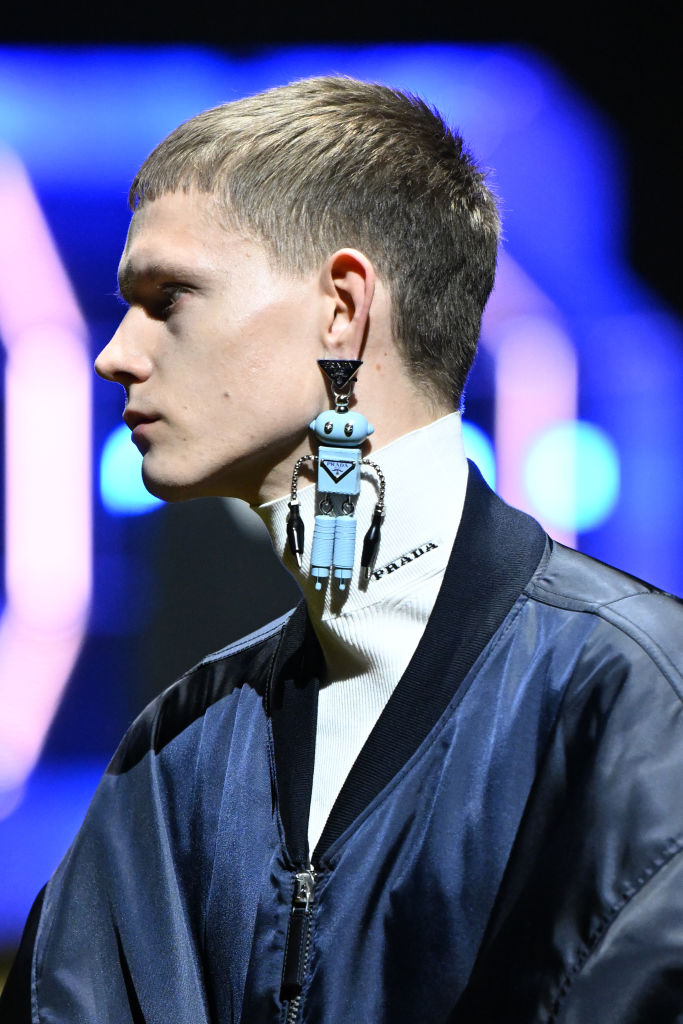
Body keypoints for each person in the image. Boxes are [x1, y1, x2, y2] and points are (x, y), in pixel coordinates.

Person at [2, 75, 683, 1023]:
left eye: (169, 297)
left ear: (340, 310)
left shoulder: (636, 701)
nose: (114, 353)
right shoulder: (173, 749)